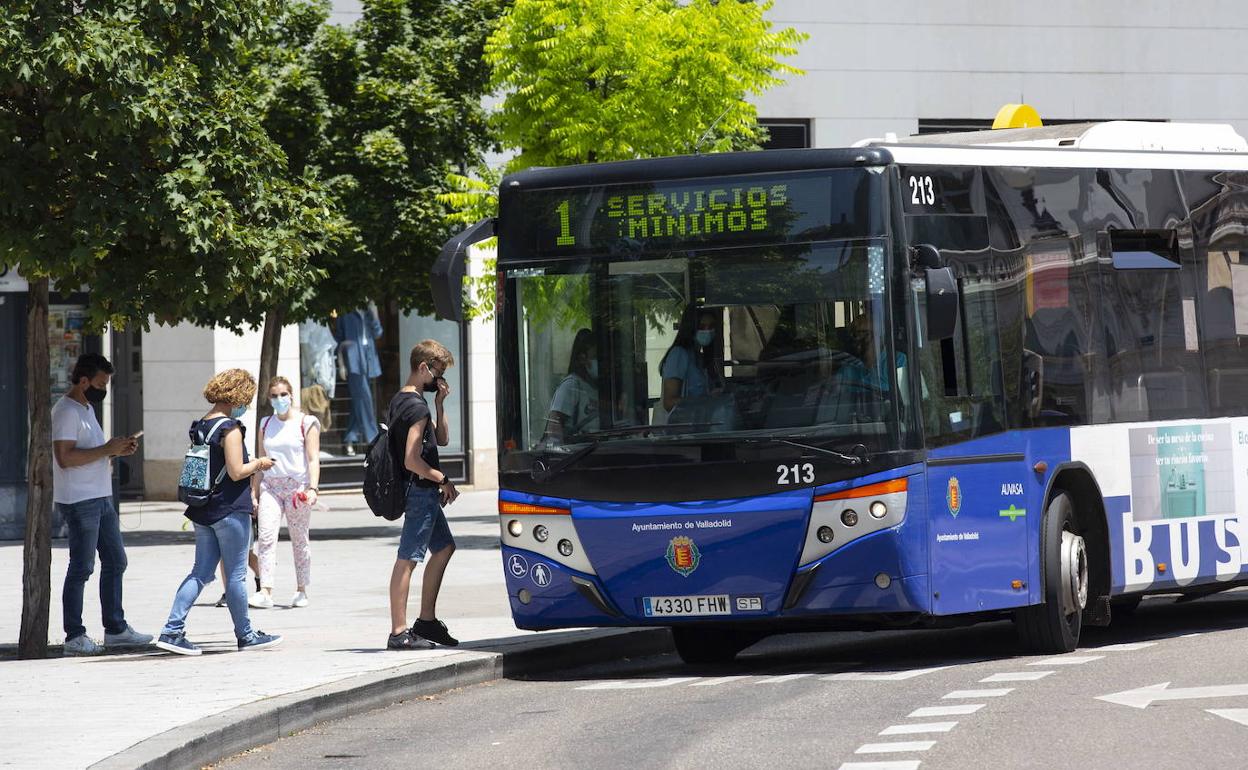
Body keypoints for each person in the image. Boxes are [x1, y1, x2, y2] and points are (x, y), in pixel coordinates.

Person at [155, 369, 282, 656]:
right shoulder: (231, 428)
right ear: (237, 395)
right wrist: (260, 463)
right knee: (236, 575)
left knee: (200, 572)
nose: (246, 404)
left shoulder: (202, 425)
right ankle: (246, 635)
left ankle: (172, 630)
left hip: (204, 508)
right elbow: (237, 471)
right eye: (245, 397)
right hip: (229, 509)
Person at [52, 353, 152, 655]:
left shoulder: (85, 408)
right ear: (83, 381)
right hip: (79, 499)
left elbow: (90, 452)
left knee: (116, 561)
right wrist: (107, 448)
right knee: (81, 567)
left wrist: (114, 450)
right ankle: (74, 634)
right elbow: (65, 457)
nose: (103, 388)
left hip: (99, 496)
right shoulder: (67, 411)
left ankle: (116, 628)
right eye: (100, 383)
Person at [386, 340, 460, 650]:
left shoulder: (405, 400)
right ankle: (399, 632)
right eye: (438, 372)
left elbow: (441, 439)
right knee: (408, 559)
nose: (440, 379)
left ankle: (426, 621)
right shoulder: (415, 406)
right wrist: (443, 478)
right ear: (423, 368)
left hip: (424, 492)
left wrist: (441, 404)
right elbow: (411, 459)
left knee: (443, 549)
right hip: (420, 491)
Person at [250, 376, 321, 609]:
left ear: (291, 395)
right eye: (274, 395)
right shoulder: (265, 424)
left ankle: (302, 589)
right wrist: (254, 492)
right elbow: (261, 461)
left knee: (299, 539)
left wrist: (313, 488)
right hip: (271, 486)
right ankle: (265, 591)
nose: (279, 399)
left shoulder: (306, 422)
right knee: (267, 538)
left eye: (283, 394)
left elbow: (313, 459)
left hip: (296, 488)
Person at [656, 306, 720, 422]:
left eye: (711, 327)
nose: (707, 331)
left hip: (697, 426)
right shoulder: (679, 354)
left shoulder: (698, 357)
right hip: (679, 431)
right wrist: (705, 400)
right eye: (702, 327)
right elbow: (669, 402)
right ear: (691, 328)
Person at [334, 304, 383, 455]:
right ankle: (374, 439)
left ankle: (349, 439)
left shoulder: (368, 312)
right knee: (365, 399)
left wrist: (374, 313)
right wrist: (341, 364)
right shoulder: (345, 312)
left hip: (368, 359)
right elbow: (338, 340)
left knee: (359, 402)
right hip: (353, 360)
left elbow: (378, 333)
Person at [544, 328, 599, 442]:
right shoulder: (571, 386)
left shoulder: (595, 387)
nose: (597, 362)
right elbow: (554, 425)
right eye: (594, 357)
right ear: (582, 358)